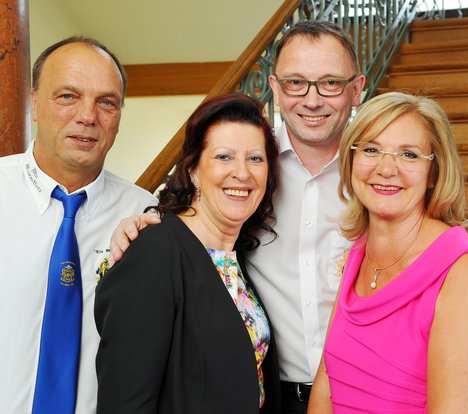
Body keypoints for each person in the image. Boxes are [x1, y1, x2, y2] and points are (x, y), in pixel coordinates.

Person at [108, 20, 366, 413]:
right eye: (296, 83)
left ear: (356, 89)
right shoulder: (250, 168)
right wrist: (139, 224)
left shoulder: (377, 174)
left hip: (361, 392)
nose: (312, 100)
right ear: (276, 88)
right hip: (276, 394)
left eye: (329, 83)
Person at [308, 92, 468, 413]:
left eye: (408, 155)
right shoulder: (359, 252)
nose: (386, 168)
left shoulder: (461, 270)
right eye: (370, 149)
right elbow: (326, 386)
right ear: (351, 160)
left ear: (433, 172)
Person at [94, 94, 281, 413]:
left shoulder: (235, 259)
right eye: (224, 157)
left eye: (255, 159)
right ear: (193, 169)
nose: (242, 173)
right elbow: (125, 402)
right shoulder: (153, 253)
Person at [0, 37, 157, 414]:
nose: (88, 116)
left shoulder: (146, 216)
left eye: (106, 102)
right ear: (34, 103)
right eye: (68, 96)